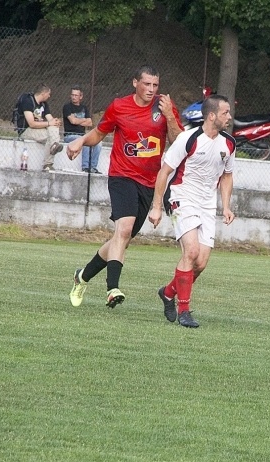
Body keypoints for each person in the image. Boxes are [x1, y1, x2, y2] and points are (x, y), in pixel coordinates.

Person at [67, 66, 183, 309]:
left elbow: (177, 142)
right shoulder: (119, 106)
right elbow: (99, 134)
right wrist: (80, 140)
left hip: (149, 182)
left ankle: (82, 276)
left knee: (122, 238)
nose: (151, 90)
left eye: (155, 85)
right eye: (147, 84)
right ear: (135, 83)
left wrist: (170, 117)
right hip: (121, 176)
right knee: (124, 228)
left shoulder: (164, 107)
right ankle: (112, 289)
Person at [148, 94, 235, 328]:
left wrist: (226, 206)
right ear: (211, 115)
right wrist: (156, 207)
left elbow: (227, 175)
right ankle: (184, 311)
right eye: (225, 112)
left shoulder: (228, 144)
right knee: (192, 251)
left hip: (206, 205)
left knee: (201, 263)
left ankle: (167, 292)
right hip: (181, 196)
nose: (229, 116)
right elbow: (164, 172)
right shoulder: (189, 138)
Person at [19, 84, 62, 171]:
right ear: (43, 93)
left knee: (53, 129)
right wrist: (50, 123)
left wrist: (56, 122)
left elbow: (50, 119)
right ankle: (48, 164)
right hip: (26, 130)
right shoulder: (28, 101)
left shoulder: (44, 104)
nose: (49, 96)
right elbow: (31, 123)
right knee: (53, 136)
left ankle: (53, 146)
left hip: (40, 130)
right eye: (48, 94)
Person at [62, 85, 99, 173]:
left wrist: (77, 120)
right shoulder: (67, 107)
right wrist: (84, 120)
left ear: (81, 97)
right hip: (70, 136)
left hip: (81, 135)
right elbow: (72, 121)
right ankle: (85, 167)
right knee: (84, 141)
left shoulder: (84, 108)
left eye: (76, 95)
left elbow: (90, 123)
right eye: (72, 95)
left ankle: (93, 167)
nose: (73, 97)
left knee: (98, 143)